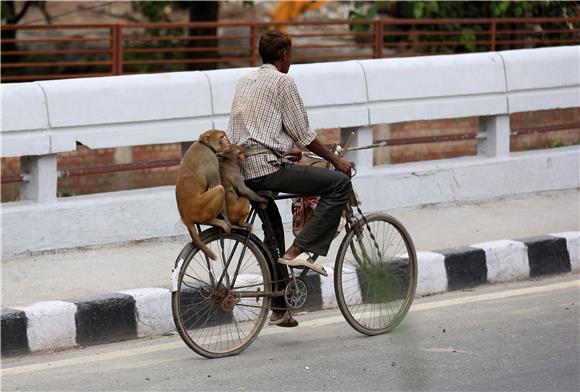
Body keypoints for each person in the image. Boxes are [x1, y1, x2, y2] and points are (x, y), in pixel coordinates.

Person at [226, 30, 353, 327]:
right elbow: (304, 133)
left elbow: (256, 129)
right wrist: (335, 160)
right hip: (266, 169)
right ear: (284, 55)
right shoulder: (284, 82)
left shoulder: (245, 80)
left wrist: (285, 151)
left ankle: (280, 309)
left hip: (241, 169)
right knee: (338, 184)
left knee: (273, 239)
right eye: (290, 55)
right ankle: (299, 251)